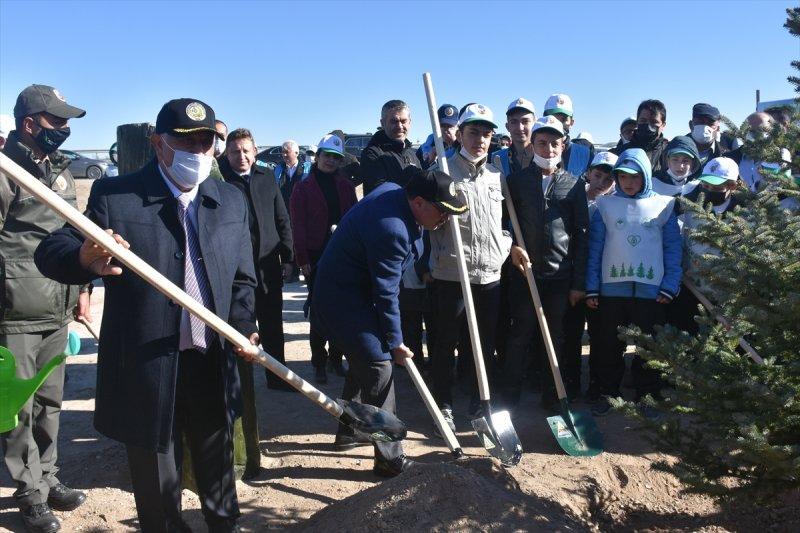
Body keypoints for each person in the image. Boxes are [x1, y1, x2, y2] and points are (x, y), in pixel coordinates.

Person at [35, 98, 259, 532]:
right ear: (158, 144)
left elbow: (243, 281)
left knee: (219, 478)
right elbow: (51, 250)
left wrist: (244, 328)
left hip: (211, 362)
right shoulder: (116, 198)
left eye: (206, 143)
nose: (198, 153)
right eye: (185, 142)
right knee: (158, 491)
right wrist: (84, 256)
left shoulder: (230, 200)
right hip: (149, 370)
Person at [311, 167, 466, 475]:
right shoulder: (392, 229)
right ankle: (389, 458)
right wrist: (395, 342)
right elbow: (387, 293)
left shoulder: (396, 192)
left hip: (356, 291)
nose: (446, 219)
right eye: (443, 211)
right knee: (379, 368)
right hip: (343, 299)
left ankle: (349, 431)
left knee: (365, 358)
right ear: (419, 202)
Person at [0, 84, 89, 533]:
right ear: (29, 123)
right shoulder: (3, 171)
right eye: (58, 121)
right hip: (14, 309)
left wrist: (82, 288)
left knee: (51, 402)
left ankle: (48, 477)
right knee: (18, 406)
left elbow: (71, 233)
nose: (66, 129)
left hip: (58, 303)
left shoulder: (61, 170)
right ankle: (28, 493)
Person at [428, 103, 512, 430]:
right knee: (445, 341)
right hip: (452, 271)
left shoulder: (495, 175)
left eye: (486, 133)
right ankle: (443, 402)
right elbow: (429, 222)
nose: (480, 139)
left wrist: (503, 247)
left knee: (483, 344)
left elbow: (503, 223)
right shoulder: (443, 170)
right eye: (473, 132)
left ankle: (480, 400)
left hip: (489, 273)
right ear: (460, 134)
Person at [499, 116, 589, 409]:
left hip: (560, 277)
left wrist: (577, 284)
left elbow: (582, 235)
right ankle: (509, 396)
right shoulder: (516, 182)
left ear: (563, 145)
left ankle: (554, 397)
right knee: (519, 334)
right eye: (542, 142)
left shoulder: (574, 186)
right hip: (525, 274)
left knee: (557, 337)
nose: (548, 148)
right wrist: (512, 246)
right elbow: (503, 224)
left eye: (554, 142)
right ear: (533, 144)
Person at [585, 148, 682, 418]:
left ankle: (647, 396)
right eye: (623, 176)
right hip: (611, 290)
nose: (629, 182)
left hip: (652, 293)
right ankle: (608, 393)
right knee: (608, 344)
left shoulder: (664, 205)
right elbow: (595, 249)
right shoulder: (605, 206)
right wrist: (592, 286)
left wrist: (670, 284)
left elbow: (673, 248)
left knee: (649, 345)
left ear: (646, 176)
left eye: (636, 177)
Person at [220, 128, 295, 394]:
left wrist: (288, 256)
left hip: (267, 266)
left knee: (273, 324)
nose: (241, 156)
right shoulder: (220, 181)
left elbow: (282, 218)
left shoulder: (267, 178)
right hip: (235, 270)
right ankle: (239, 384)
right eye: (234, 151)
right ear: (226, 154)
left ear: (254, 152)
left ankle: (278, 377)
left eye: (246, 150)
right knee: (239, 325)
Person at [291, 134, 358, 384]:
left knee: (340, 310)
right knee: (319, 311)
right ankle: (318, 361)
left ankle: (335, 358)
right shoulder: (302, 187)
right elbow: (297, 224)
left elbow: (354, 220)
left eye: (336, 158)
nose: (331, 161)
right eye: (327, 156)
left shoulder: (347, 187)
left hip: (342, 255)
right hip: (316, 256)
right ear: (317, 157)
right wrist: (302, 257)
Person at [672, 157, 742, 335]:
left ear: (732, 186)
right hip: (690, 286)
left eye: (717, 188)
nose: (709, 191)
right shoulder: (689, 202)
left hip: (725, 292)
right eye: (706, 185)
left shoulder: (742, 211)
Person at [360, 100, 421, 194]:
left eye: (403, 121)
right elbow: (381, 193)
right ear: (382, 123)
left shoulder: (412, 154)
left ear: (410, 122)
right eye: (394, 121)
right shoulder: (372, 154)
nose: (400, 126)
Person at [543, 93, 594, 177]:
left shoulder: (587, 155)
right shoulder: (534, 151)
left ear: (572, 122)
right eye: (553, 119)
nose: (558, 124)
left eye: (563, 119)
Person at [613, 99, 669, 173]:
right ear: (637, 122)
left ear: (663, 125)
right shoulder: (619, 153)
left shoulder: (670, 153)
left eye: (654, 122)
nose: (648, 125)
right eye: (643, 120)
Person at [417, 104, 459, 169]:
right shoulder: (429, 143)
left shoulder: (464, 146)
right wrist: (430, 160)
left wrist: (455, 144)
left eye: (450, 126)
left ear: (457, 127)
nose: (446, 130)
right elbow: (420, 170)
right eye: (442, 125)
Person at [274, 140, 309, 209]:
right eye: (283, 152)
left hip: (301, 210)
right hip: (283, 211)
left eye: (287, 152)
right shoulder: (278, 169)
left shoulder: (307, 169)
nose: (284, 155)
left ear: (296, 153)